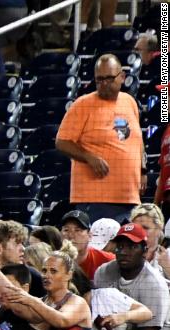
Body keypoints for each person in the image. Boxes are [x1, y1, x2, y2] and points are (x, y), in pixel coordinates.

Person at [56, 54, 144, 223]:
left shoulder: (130, 102)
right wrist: (89, 157)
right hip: (96, 198)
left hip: (129, 196)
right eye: (99, 79)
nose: (104, 84)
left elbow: (137, 139)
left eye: (109, 78)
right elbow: (62, 142)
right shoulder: (82, 104)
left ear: (122, 77)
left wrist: (143, 169)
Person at [93, 223, 170, 330]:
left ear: (144, 250)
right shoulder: (104, 272)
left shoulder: (154, 284)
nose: (123, 251)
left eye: (131, 246)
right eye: (120, 246)